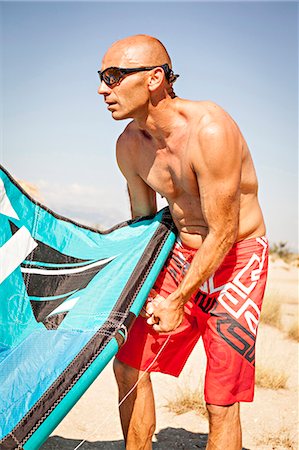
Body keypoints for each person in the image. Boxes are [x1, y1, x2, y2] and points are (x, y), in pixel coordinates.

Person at [98, 34, 268, 450]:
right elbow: (143, 224)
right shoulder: (128, 147)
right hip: (180, 250)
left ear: (155, 78)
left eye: (114, 76)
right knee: (128, 362)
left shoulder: (210, 129)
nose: (103, 89)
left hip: (237, 258)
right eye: (102, 77)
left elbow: (224, 231)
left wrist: (177, 300)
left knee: (220, 396)